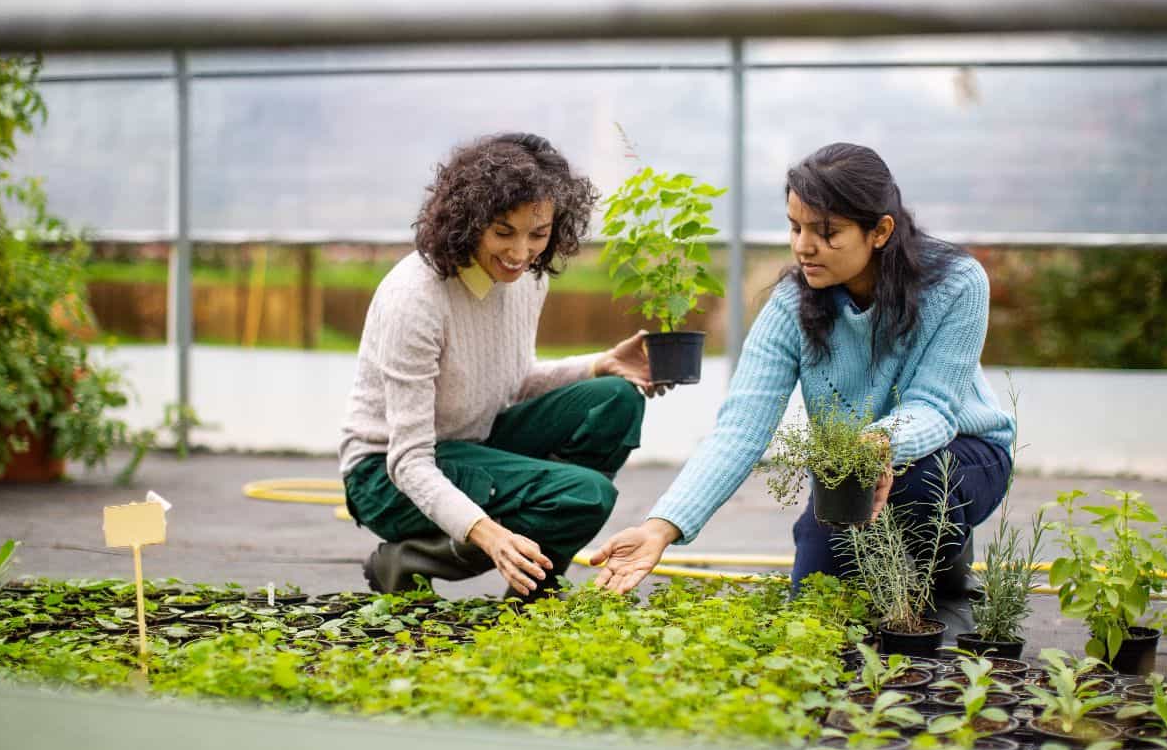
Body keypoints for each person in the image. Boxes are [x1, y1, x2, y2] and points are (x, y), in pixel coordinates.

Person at [589, 142, 1015, 596]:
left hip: (961, 453)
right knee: (815, 596)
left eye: (827, 232)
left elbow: (933, 407)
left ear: (880, 231)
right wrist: (660, 527)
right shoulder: (792, 305)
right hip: (851, 471)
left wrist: (878, 443)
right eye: (795, 227)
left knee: (916, 486)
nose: (803, 247)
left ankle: (945, 572)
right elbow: (741, 429)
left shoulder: (955, 282)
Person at [339, 132, 662, 600]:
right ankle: (411, 558)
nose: (521, 252)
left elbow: (514, 383)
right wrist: (490, 534)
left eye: (538, 234)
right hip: (386, 477)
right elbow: (408, 461)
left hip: (473, 443)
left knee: (615, 400)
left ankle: (534, 585)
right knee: (586, 494)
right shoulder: (416, 297)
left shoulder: (525, 279)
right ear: (468, 221)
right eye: (503, 232)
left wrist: (601, 363)